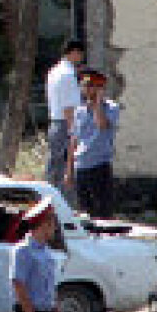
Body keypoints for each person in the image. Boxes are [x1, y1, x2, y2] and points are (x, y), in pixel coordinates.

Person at [65, 69, 120, 218]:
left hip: (99, 166)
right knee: (85, 213)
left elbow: (102, 125)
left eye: (90, 86)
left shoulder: (112, 108)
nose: (85, 89)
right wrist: (69, 170)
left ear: (100, 88)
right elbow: (74, 140)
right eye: (83, 85)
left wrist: (97, 104)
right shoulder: (80, 111)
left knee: (103, 213)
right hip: (81, 166)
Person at [45, 40, 85, 195]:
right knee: (66, 168)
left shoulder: (54, 71)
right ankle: (65, 207)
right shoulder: (68, 75)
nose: (81, 58)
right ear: (73, 53)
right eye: (80, 54)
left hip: (55, 122)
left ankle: (49, 202)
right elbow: (69, 107)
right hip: (65, 124)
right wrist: (73, 131)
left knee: (54, 167)